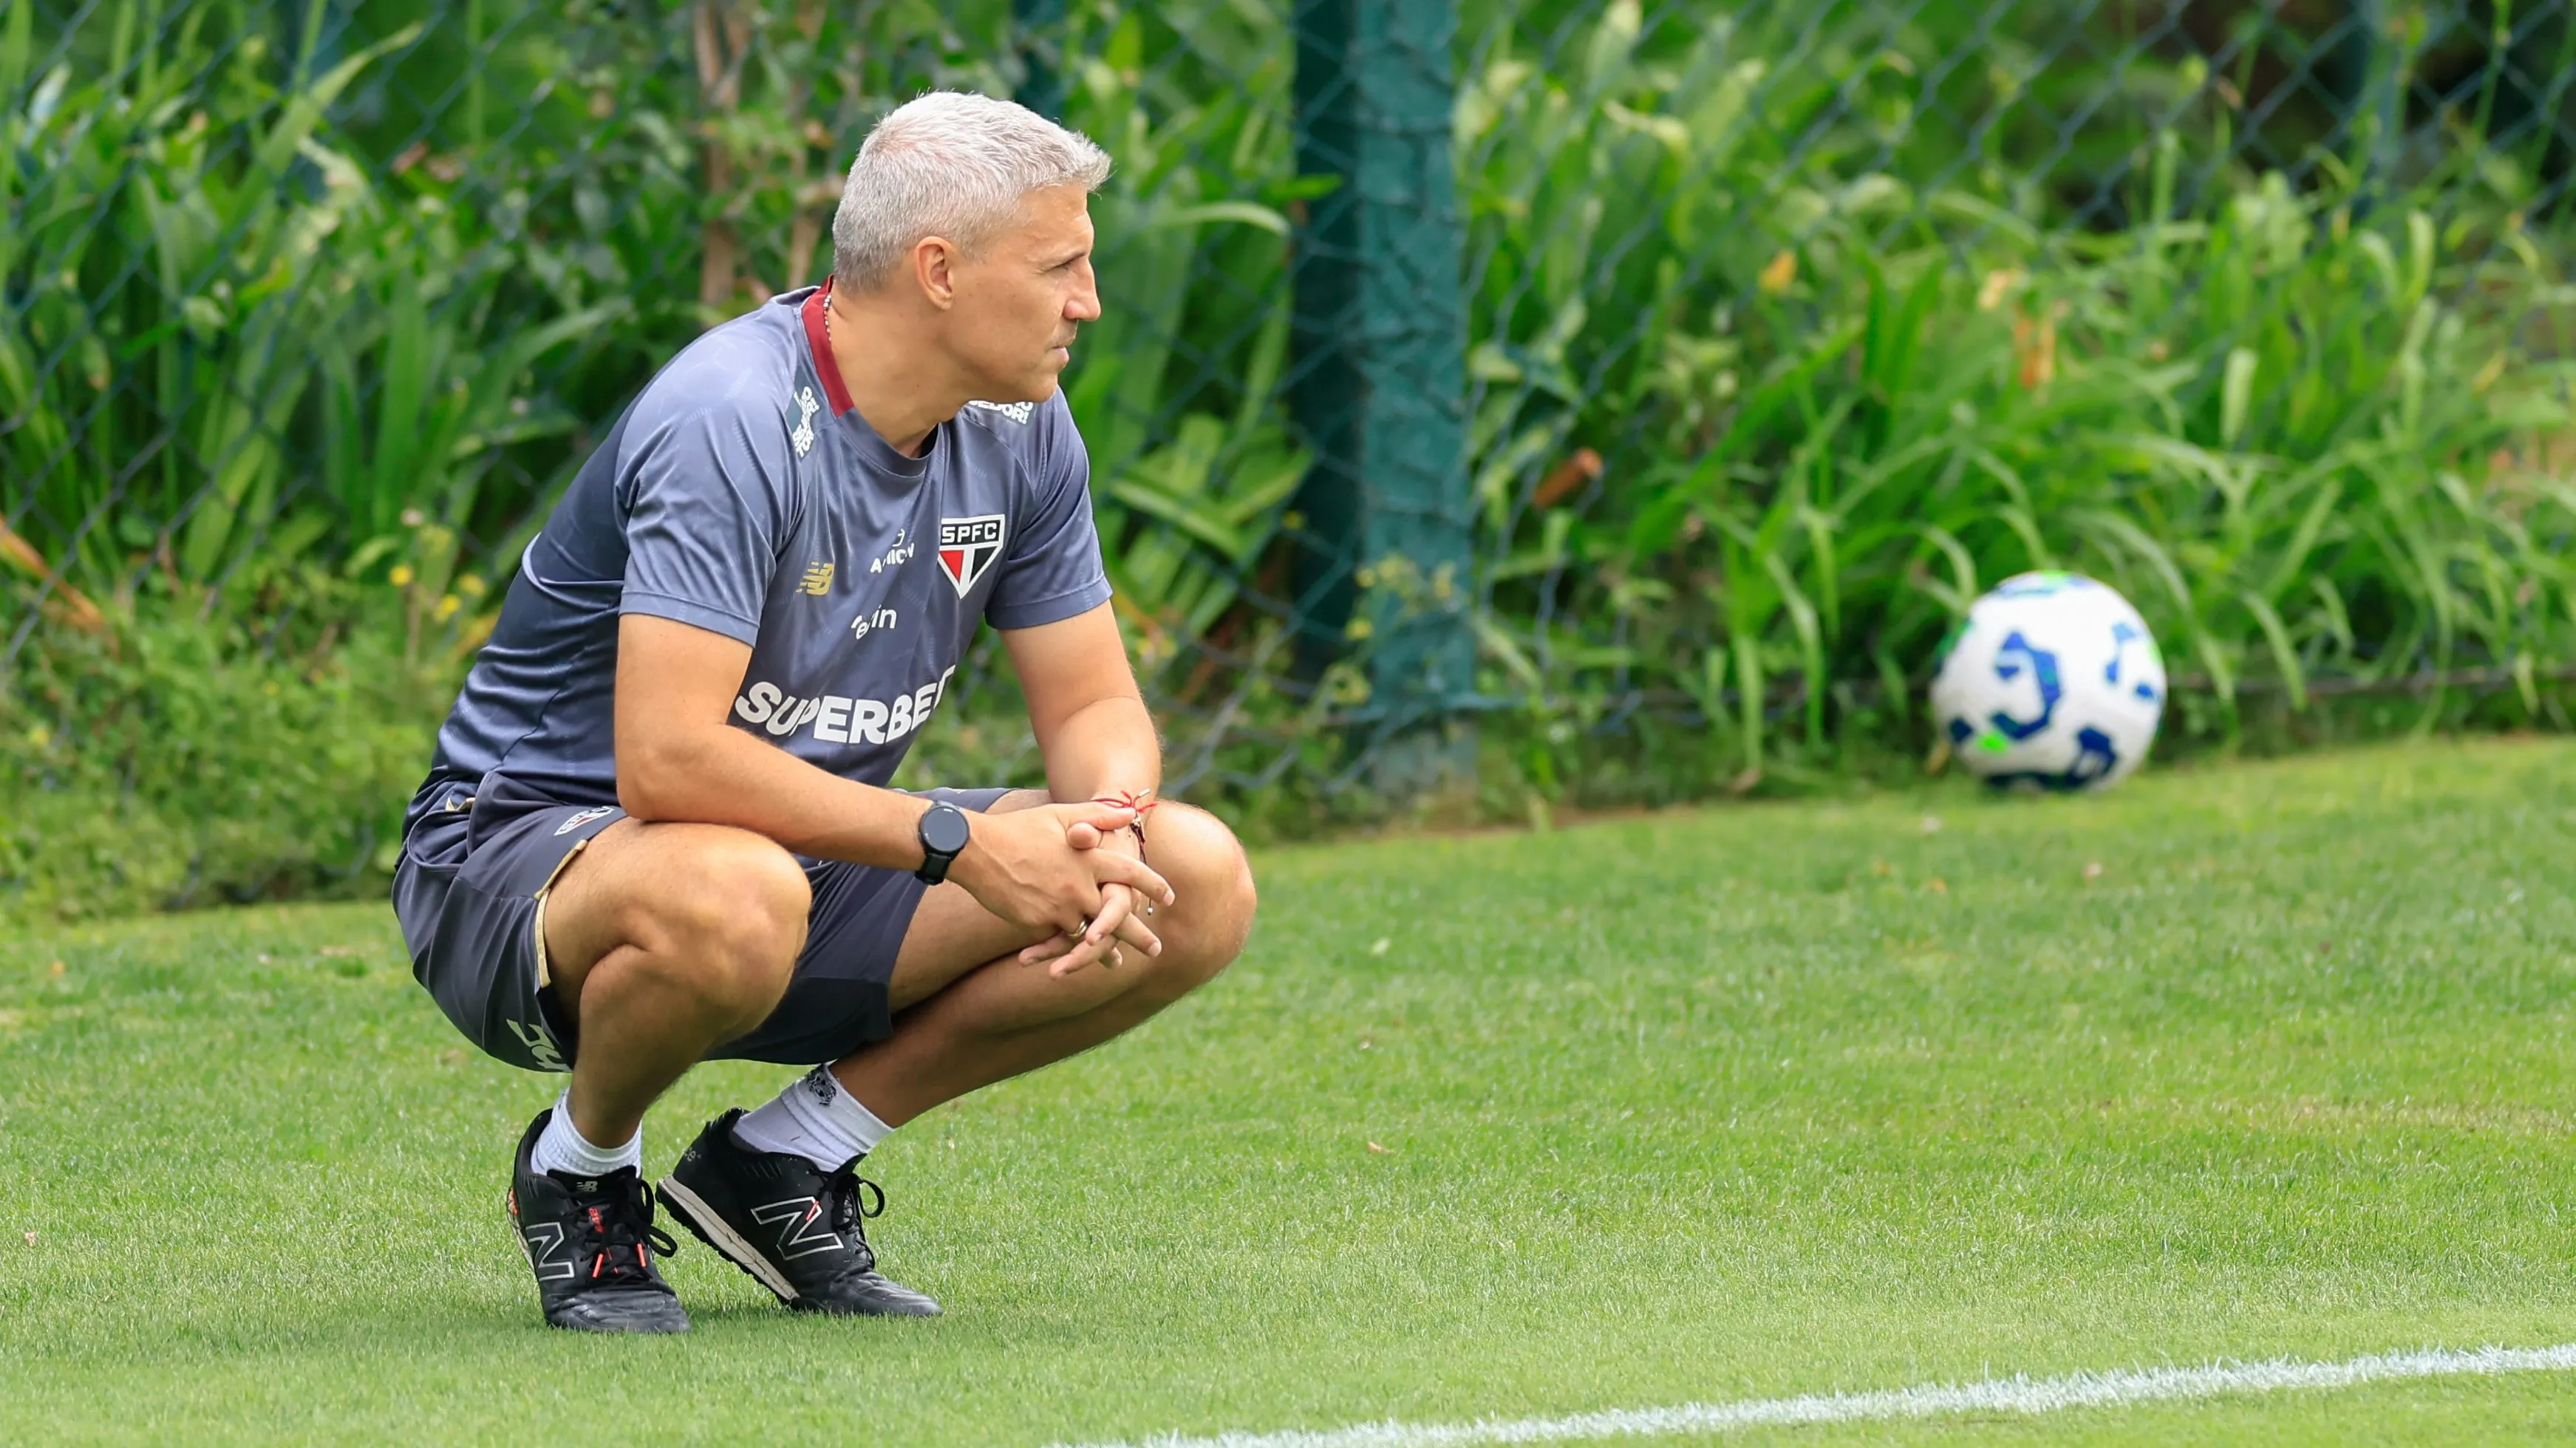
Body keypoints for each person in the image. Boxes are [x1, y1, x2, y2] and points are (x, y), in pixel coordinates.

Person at [390, 92, 1258, 1334]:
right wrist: (958, 843)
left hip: (797, 861)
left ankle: (785, 1157)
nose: (1089, 302)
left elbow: (1093, 700)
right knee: (736, 895)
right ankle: (581, 1170)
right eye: (1060, 265)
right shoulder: (732, 417)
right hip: (518, 859)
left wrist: (1110, 824)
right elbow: (665, 762)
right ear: (939, 272)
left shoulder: (1024, 426)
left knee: (1189, 876)